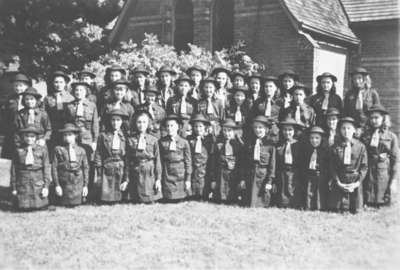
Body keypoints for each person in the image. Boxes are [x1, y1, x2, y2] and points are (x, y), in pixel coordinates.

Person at [328, 117, 368, 214]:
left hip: (355, 179)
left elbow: (364, 167)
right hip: (341, 178)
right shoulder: (335, 147)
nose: (346, 131)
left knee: (356, 209)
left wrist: (357, 183)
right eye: (343, 128)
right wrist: (338, 182)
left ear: (354, 130)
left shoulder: (361, 146)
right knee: (338, 208)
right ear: (340, 130)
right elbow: (332, 166)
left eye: (349, 128)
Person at [362, 105, 399, 207]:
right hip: (369, 168)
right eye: (372, 118)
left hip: (383, 169)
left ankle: (381, 200)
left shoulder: (391, 137)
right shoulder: (365, 135)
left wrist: (394, 179)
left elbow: (395, 159)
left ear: (383, 118)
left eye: (377, 118)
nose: (374, 120)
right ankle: (367, 200)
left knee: (381, 185)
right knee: (368, 185)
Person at [122, 111, 163, 203]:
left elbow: (157, 161)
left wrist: (158, 179)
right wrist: (126, 179)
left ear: (148, 123)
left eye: (144, 122)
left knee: (149, 195)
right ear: (135, 123)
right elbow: (128, 161)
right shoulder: (131, 140)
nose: (141, 125)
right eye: (139, 122)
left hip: (149, 170)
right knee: (136, 197)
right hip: (136, 170)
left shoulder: (154, 140)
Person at [10, 126, 50, 211]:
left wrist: (46, 187)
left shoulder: (42, 150)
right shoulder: (18, 150)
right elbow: (14, 170)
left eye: (32, 137)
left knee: (39, 205)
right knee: (22, 206)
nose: (29, 139)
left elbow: (46, 168)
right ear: (23, 137)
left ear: (36, 138)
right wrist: (13, 188)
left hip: (37, 180)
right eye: (27, 136)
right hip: (23, 181)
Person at [94, 109, 128, 204]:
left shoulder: (125, 136)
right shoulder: (103, 136)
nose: (115, 123)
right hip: (107, 166)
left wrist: (126, 176)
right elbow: (98, 154)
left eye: (118, 120)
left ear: (121, 121)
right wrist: (99, 170)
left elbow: (127, 156)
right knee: (106, 196)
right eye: (113, 120)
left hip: (121, 167)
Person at [52, 123, 89, 207]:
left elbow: (86, 168)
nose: (68, 137)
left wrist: (85, 186)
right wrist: (57, 185)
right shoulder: (58, 150)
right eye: (65, 135)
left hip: (78, 181)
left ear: (75, 136)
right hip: (65, 182)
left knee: (77, 201)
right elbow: (54, 168)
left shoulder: (81, 150)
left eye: (70, 135)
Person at [159, 114, 192, 202]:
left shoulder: (184, 142)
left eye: (172, 125)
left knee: (180, 197)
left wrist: (188, 179)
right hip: (167, 172)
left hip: (180, 172)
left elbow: (188, 161)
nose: (169, 128)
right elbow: (160, 161)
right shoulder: (162, 142)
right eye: (167, 126)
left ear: (178, 127)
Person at [245, 115, 276, 208]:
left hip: (263, 173)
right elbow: (245, 161)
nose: (258, 130)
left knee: (262, 196)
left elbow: (272, 164)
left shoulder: (270, 145)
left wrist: (270, 180)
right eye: (255, 127)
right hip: (251, 173)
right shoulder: (250, 143)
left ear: (266, 129)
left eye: (260, 128)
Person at [1, 73, 32, 159]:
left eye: (21, 86)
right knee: (12, 156)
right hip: (12, 131)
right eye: (16, 86)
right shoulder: (10, 99)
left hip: (27, 130)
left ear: (26, 86)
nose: (18, 88)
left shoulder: (31, 98)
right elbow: (5, 116)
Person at [213, 118, 244, 204]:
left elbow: (241, 163)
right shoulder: (219, 144)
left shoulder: (238, 145)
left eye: (229, 131)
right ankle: (221, 197)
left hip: (233, 172)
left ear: (234, 131)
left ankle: (232, 197)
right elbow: (214, 161)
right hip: (221, 172)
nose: (227, 133)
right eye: (225, 131)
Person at [343, 67, 380, 137]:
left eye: (359, 78)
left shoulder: (372, 93)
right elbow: (345, 112)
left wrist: (365, 128)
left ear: (365, 79)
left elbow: (378, 112)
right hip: (353, 127)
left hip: (369, 127)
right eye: (354, 79)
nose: (357, 81)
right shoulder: (349, 94)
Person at [275, 118, 303, 208]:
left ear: (294, 131)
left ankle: (295, 204)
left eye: (290, 130)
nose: (287, 132)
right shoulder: (279, 145)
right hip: (282, 172)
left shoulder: (298, 145)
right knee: (282, 189)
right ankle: (283, 203)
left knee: (294, 189)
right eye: (285, 130)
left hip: (295, 172)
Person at [187, 114, 216, 201]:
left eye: (200, 126)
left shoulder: (209, 139)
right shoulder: (189, 139)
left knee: (203, 182)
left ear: (205, 127)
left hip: (205, 167)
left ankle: (204, 194)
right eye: (195, 126)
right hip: (194, 165)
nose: (198, 129)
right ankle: (192, 194)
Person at [44, 70, 74, 150]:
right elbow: (44, 115)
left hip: (66, 129)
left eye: (61, 82)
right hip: (52, 129)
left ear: (65, 83)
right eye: (56, 82)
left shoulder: (70, 98)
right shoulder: (48, 98)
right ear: (53, 83)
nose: (58, 84)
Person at [302, 126, 330, 211]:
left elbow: (328, 165)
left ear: (322, 139)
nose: (314, 140)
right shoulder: (307, 150)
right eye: (312, 138)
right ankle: (309, 206)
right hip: (310, 175)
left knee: (320, 192)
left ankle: (320, 207)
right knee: (309, 191)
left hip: (321, 175)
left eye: (317, 138)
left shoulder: (325, 151)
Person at [251, 75, 281, 143]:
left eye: (271, 86)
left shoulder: (280, 102)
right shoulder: (258, 102)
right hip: (261, 131)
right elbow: (254, 116)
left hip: (274, 131)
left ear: (275, 88)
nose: (268, 88)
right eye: (266, 86)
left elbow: (282, 118)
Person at [166, 74, 196, 138]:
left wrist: (190, 126)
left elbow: (195, 116)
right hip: (175, 126)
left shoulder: (194, 101)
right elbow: (168, 114)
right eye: (181, 85)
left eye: (186, 86)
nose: (183, 88)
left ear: (190, 87)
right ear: (177, 86)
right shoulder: (171, 100)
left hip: (189, 127)